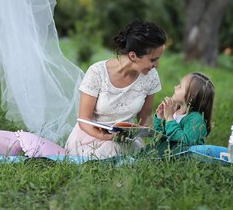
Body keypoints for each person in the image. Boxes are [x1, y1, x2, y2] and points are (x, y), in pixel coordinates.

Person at [64, 20, 167, 158]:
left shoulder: (151, 77)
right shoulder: (97, 72)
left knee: (120, 149)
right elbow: (84, 120)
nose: (157, 65)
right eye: (153, 60)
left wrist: (158, 125)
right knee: (113, 149)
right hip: (90, 138)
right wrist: (104, 136)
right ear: (133, 56)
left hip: (124, 141)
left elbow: (145, 118)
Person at [147, 71, 215, 156]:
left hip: (181, 161)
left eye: (180, 87)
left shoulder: (196, 119)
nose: (175, 87)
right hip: (165, 157)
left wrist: (169, 118)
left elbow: (185, 142)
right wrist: (160, 118)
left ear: (191, 96)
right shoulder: (175, 112)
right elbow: (160, 141)